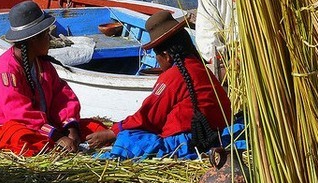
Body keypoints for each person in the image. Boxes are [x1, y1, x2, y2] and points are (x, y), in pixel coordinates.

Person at [0, 0, 106, 156]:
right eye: (47, 35)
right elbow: (20, 115)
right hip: (5, 127)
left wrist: (71, 128)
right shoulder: (6, 72)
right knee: (24, 140)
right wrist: (57, 137)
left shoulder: (41, 63)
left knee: (96, 129)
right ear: (34, 39)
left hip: (43, 125)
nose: (50, 40)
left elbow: (62, 96)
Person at [85, 10, 234, 160]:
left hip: (188, 141)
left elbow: (148, 116)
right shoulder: (200, 68)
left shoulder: (174, 76)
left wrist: (113, 132)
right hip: (216, 134)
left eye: (156, 56)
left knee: (128, 138)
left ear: (166, 56)